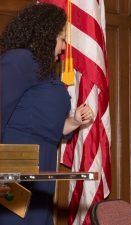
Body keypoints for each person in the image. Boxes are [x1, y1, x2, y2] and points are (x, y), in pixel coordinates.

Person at [0, 3, 94, 225]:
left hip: (43, 168)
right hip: (15, 166)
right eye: (61, 38)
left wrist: (73, 122)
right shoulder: (19, 59)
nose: (63, 47)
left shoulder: (45, 70)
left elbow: (44, 125)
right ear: (46, 34)